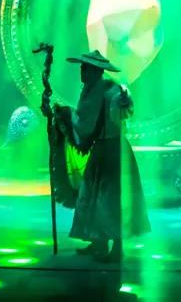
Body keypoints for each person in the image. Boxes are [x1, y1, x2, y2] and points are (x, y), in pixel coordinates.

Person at [55, 50, 150, 262]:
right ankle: (98, 241)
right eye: (82, 67)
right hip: (101, 150)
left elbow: (122, 110)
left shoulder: (110, 90)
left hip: (114, 150)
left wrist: (123, 101)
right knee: (93, 196)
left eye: (85, 68)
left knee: (112, 199)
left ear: (95, 70)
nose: (81, 71)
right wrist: (66, 115)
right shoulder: (90, 91)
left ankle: (117, 248)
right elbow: (84, 121)